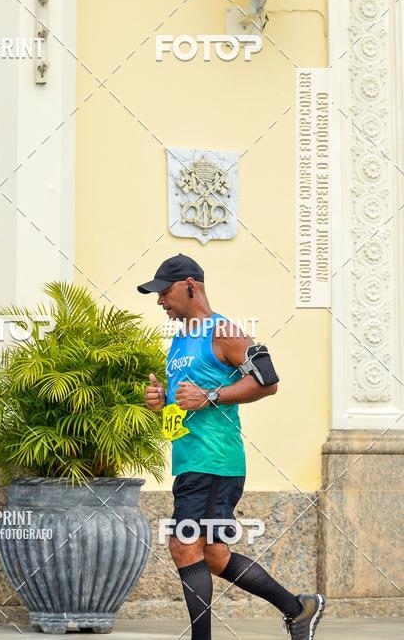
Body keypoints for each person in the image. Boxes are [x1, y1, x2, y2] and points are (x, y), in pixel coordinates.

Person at [139, 253, 325, 640]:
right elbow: (186, 403)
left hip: (213, 461)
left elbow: (268, 380)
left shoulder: (222, 331)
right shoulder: (181, 340)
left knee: (183, 546)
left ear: (191, 285)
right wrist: (162, 401)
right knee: (215, 556)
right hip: (191, 459)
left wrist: (208, 396)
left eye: (164, 292)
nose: (160, 302)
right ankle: (299, 608)